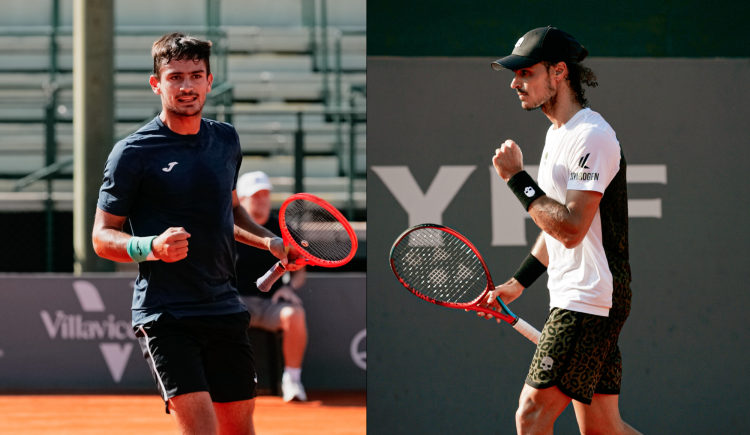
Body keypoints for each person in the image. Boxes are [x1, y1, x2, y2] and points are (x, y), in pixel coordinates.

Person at [91, 33, 302, 435]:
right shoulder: (132, 153)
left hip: (224, 306)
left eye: (195, 75)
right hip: (166, 313)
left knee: (239, 431)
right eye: (175, 77)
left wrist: (268, 241)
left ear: (209, 80)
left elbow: (230, 210)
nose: (186, 86)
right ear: (157, 83)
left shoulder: (225, 140)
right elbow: (102, 237)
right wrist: (149, 247)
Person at [484, 26, 642, 435]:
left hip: (589, 298)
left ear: (559, 73)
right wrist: (519, 283)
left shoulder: (591, 136)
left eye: (527, 73)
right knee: (604, 429)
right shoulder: (558, 135)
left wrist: (517, 179)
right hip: (585, 296)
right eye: (515, 74)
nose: (516, 83)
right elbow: (555, 226)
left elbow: (571, 228)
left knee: (532, 415)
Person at [234, 171, 309, 402]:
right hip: (235, 304)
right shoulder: (229, 228)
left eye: (266, 194)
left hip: (271, 304)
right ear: (242, 201)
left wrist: (290, 287)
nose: (262, 199)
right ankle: (226, 381)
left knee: (294, 315)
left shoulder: (284, 229)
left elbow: (300, 272)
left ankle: (292, 381)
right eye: (256, 195)